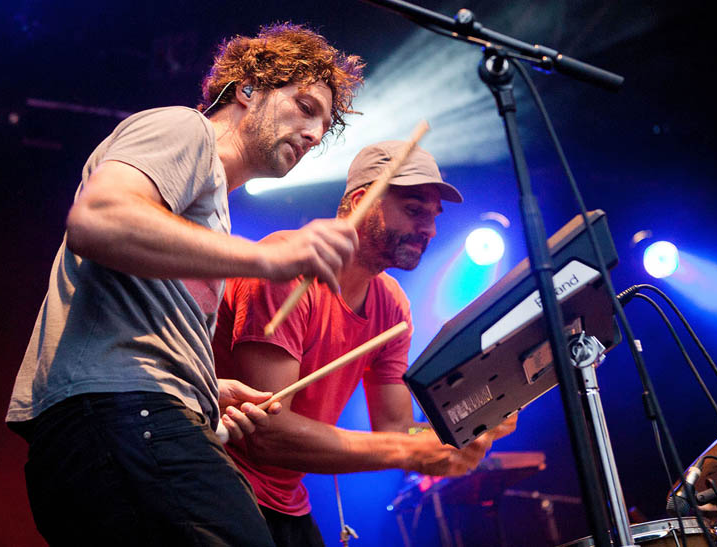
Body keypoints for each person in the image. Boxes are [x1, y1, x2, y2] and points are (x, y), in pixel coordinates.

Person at [5, 23, 364, 546]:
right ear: (248, 89)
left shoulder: (214, 208)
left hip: (120, 423)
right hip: (121, 416)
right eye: (306, 107)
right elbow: (99, 219)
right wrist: (266, 259)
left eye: (324, 125)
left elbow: (131, 315)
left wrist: (206, 390)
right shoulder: (182, 129)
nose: (313, 134)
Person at [213, 141, 517, 547]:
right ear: (361, 201)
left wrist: (465, 423)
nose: (430, 229)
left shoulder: (392, 306)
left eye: (433, 217)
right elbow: (268, 434)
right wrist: (411, 450)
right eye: (414, 211)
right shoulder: (287, 269)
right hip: (218, 477)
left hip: (288, 500)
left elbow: (393, 430)